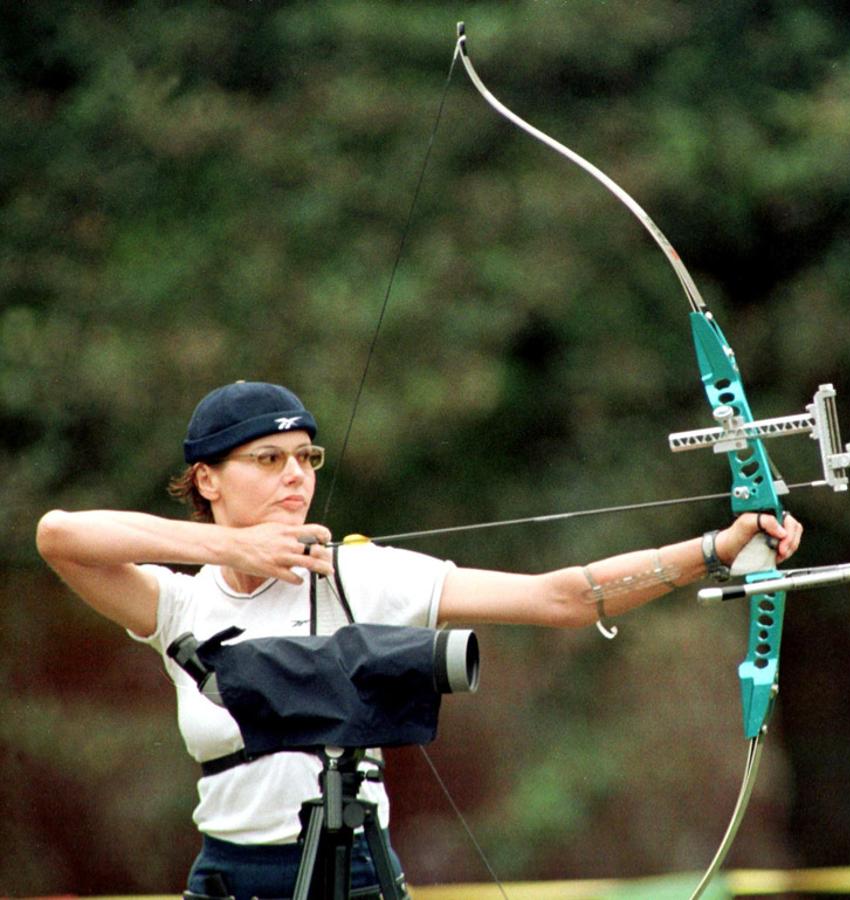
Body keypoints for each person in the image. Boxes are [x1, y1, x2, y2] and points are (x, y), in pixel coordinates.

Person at [35, 380, 802, 900]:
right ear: (207, 480)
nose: (295, 477)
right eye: (268, 460)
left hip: (354, 870)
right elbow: (60, 535)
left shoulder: (362, 576)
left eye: (306, 457)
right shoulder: (179, 602)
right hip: (228, 877)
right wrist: (230, 552)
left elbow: (560, 596)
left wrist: (716, 547)